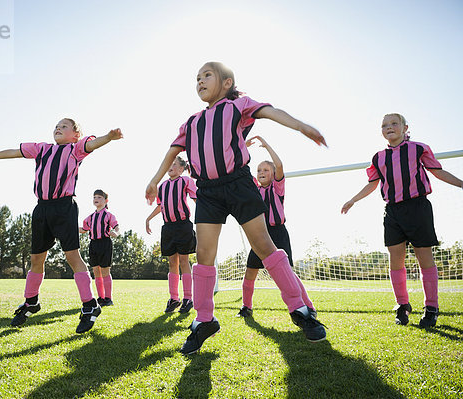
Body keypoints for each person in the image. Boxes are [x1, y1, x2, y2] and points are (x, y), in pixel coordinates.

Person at [145, 62, 327, 354]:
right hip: (207, 191)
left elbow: (272, 112)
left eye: (207, 75)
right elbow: (172, 151)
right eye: (197, 78)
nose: (201, 81)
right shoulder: (191, 122)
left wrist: (302, 126)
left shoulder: (238, 105)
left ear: (226, 83)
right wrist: (154, 180)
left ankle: (299, 309)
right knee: (204, 254)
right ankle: (204, 319)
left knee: (264, 245)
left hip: (239, 184)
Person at [0, 118, 123, 333]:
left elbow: (92, 144)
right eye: (56, 127)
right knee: (36, 259)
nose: (58, 129)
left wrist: (109, 137)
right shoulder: (42, 149)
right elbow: (14, 152)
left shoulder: (75, 149)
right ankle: (31, 302)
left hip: (64, 207)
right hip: (42, 209)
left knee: (72, 256)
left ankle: (90, 306)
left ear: (75, 135)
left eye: (64, 127)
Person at [342, 113, 463, 327]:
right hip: (392, 211)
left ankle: (431, 307)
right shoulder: (378, 157)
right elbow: (372, 183)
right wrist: (353, 199)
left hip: (418, 207)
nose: (389, 127)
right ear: (381, 131)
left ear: (405, 128)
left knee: (424, 257)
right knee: (395, 259)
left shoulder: (418, 148)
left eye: (394, 123)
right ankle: (402, 305)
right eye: (384, 125)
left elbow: (438, 172)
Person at [237, 136, 315, 319]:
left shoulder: (277, 188)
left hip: (278, 233)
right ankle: (246, 307)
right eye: (259, 170)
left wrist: (267, 147)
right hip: (260, 234)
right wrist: (242, 147)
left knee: (287, 273)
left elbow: (279, 165)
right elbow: (240, 169)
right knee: (250, 272)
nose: (261, 172)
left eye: (266, 169)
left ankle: (308, 307)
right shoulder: (254, 188)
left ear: (273, 174)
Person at [145, 156, 197, 314]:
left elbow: (197, 199)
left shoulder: (186, 181)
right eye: (169, 164)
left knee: (183, 260)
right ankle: (174, 298)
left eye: (174, 164)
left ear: (181, 169)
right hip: (168, 228)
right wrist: (148, 219)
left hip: (183, 226)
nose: (171, 166)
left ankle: (188, 298)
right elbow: (161, 206)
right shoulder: (162, 186)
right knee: (172, 263)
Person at [80, 189, 120, 307]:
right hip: (93, 244)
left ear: (106, 201)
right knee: (96, 271)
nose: (96, 199)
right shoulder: (90, 217)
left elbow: (117, 227)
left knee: (105, 270)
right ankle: (101, 298)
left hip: (105, 243)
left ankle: (108, 298)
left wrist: (116, 233)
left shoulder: (109, 215)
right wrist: (71, 228)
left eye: (99, 197)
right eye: (94, 197)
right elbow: (84, 229)